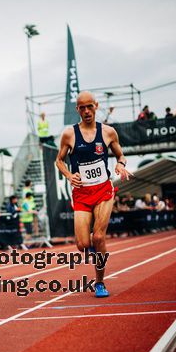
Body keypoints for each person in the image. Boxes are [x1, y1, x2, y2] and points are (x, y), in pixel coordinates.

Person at [55, 91, 132, 298]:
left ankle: (99, 282)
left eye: (90, 106)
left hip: (103, 189)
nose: (87, 111)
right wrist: (70, 175)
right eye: (82, 108)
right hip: (81, 193)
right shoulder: (69, 134)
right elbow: (59, 160)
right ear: (77, 109)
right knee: (82, 245)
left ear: (96, 106)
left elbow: (120, 154)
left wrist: (120, 165)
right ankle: (94, 248)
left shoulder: (108, 132)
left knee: (99, 236)